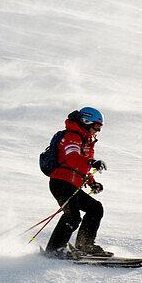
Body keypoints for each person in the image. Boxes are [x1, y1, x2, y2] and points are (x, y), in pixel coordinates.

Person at [45, 107, 111, 258]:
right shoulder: (72, 136)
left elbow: (82, 167)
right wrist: (91, 161)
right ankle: (54, 250)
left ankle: (85, 245)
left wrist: (91, 181)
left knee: (95, 208)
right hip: (61, 183)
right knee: (72, 217)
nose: (98, 130)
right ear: (87, 122)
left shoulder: (87, 141)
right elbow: (72, 158)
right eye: (97, 126)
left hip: (72, 184)